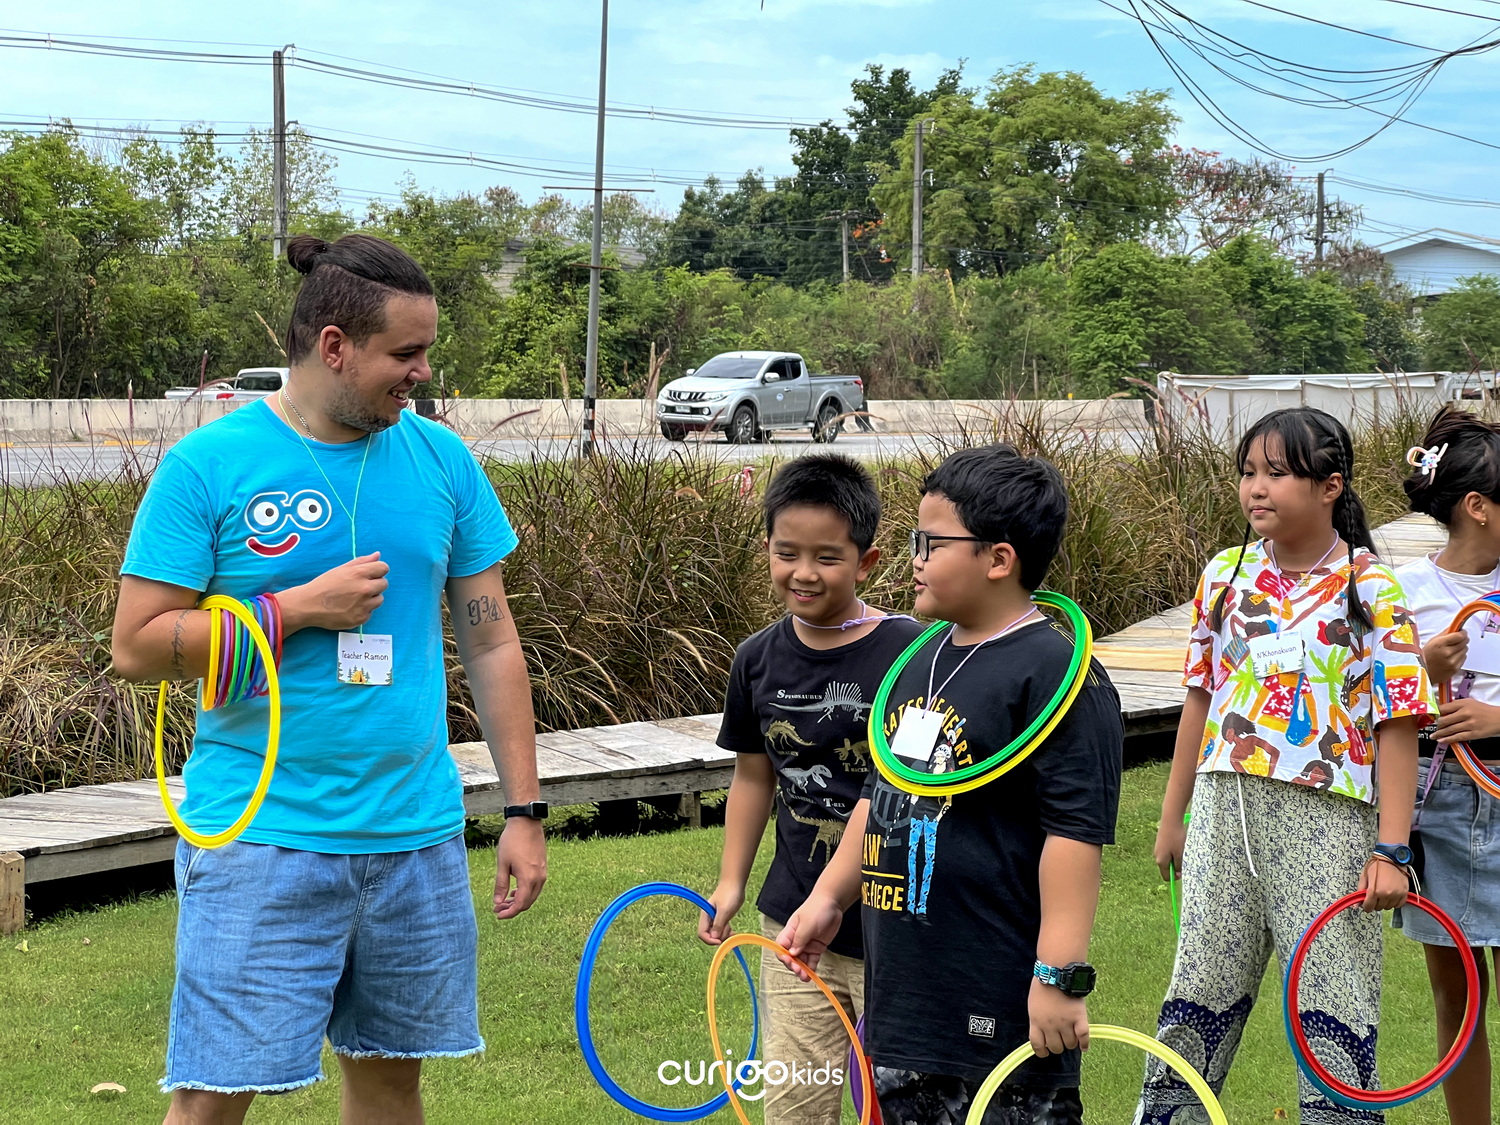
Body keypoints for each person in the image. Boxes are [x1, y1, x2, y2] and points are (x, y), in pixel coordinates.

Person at [110, 233, 547, 1125]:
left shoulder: (443, 461)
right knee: (211, 1098)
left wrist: (525, 808)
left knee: (390, 1085)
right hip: (261, 838)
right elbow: (137, 647)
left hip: (415, 838)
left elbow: (492, 640)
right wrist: (294, 611)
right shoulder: (209, 465)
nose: (423, 372)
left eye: (427, 350)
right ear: (335, 345)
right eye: (406, 352)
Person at [775, 443, 1125, 1125]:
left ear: (998, 559)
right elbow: (882, 798)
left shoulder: (1057, 675)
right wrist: (827, 897)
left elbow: (1074, 836)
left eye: (931, 544)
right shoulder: (921, 659)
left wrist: (1058, 975)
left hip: (994, 995)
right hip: (907, 999)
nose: (914, 558)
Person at [1138, 407, 1430, 1125]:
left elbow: (1398, 722)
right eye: (1247, 472)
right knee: (1198, 990)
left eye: (1276, 473)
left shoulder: (1372, 587)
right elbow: (1200, 697)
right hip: (1223, 813)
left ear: (1330, 486)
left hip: (1328, 825)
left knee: (1333, 1004)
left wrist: (1392, 850)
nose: (1256, 488)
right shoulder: (1224, 575)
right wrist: (1173, 816)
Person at [699, 453, 924, 1125]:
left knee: (903, 1104)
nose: (803, 572)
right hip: (793, 925)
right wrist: (731, 882)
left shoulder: (911, 652)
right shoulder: (756, 658)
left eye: (827, 557)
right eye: (786, 553)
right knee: (796, 1106)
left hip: (896, 925)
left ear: (867, 560)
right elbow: (754, 775)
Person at [1393, 406, 1500, 1125]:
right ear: (1478, 507)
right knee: (1457, 998)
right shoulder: (1404, 591)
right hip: (1440, 803)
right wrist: (1423, 669)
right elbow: (1372, 704)